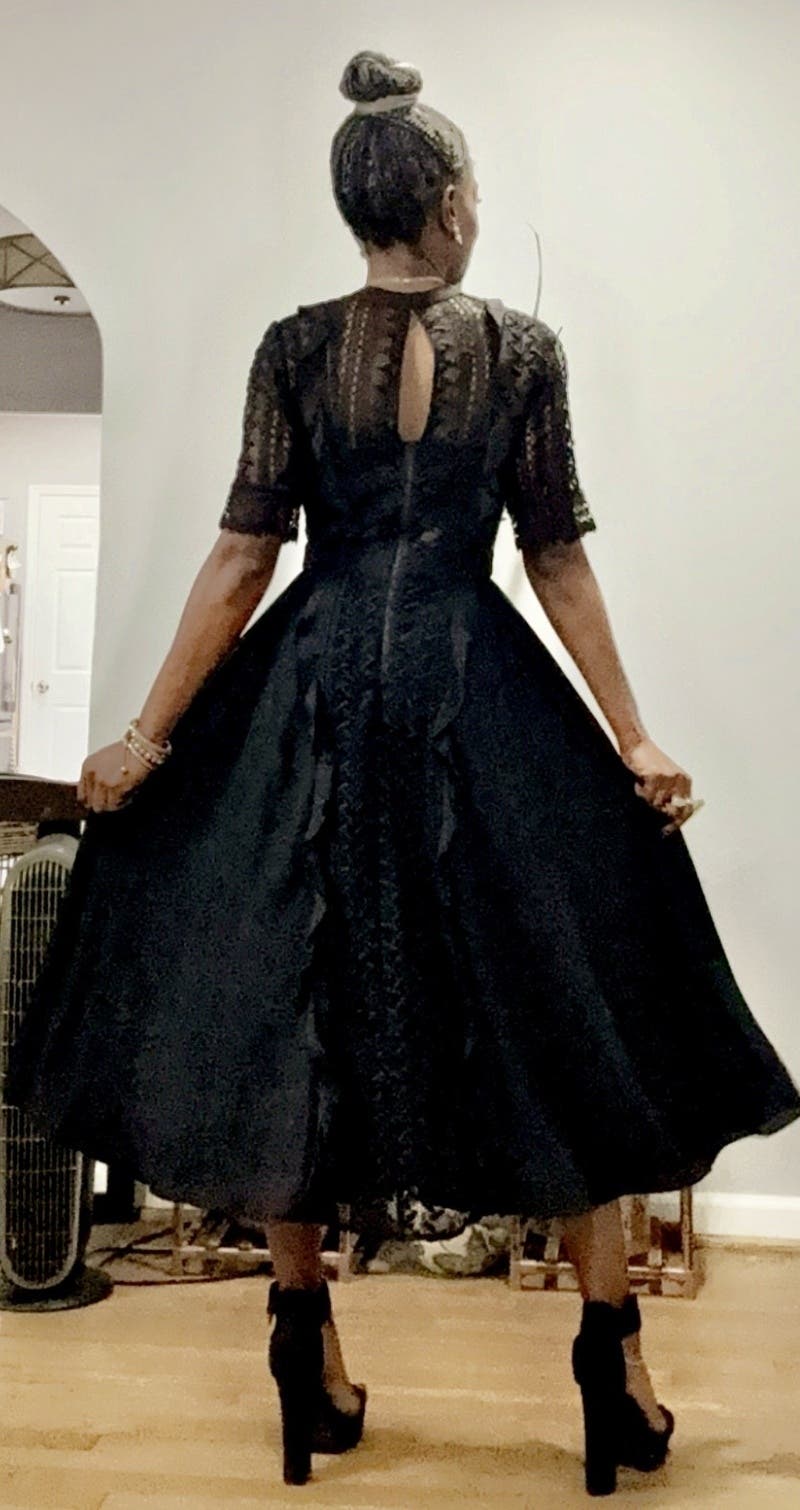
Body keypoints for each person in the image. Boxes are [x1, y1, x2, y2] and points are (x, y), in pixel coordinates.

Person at [5, 46, 800, 1498]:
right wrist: (629, 734)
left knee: (294, 1000)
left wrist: (148, 739)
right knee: (557, 998)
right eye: (470, 189)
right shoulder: (525, 352)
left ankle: (302, 1339)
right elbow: (555, 557)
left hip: (313, 693)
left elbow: (245, 556)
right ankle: (610, 1361)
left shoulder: (293, 350)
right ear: (447, 205)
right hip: (470, 689)